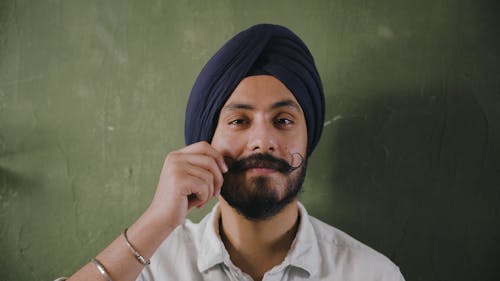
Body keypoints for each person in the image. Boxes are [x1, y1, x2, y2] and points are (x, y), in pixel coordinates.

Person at [59, 24, 405, 281]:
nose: (262, 141)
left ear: (308, 136)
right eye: (239, 121)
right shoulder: (153, 266)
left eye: (283, 120)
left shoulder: (370, 273)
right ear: (204, 143)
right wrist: (156, 221)